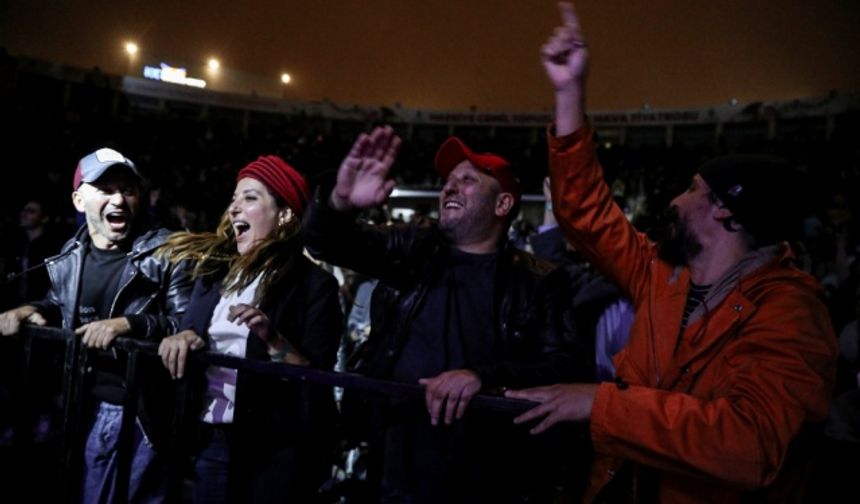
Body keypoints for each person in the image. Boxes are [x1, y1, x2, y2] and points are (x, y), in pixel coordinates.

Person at [507, 4, 839, 503]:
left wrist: (603, 405)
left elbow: (750, 443)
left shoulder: (791, 313)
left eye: (693, 190)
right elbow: (585, 213)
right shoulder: (663, 274)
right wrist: (568, 92)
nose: (675, 200)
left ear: (727, 212)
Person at [303, 126, 589, 503]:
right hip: (394, 458)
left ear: (502, 205)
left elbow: (561, 367)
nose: (449, 188)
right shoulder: (413, 247)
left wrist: (481, 377)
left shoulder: (538, 281)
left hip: (486, 474)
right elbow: (328, 243)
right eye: (449, 181)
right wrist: (339, 202)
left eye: (468, 180)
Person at [0, 147, 193, 503]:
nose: (119, 198)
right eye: (106, 189)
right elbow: (64, 304)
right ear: (78, 199)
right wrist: (31, 308)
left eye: (128, 190)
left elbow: (185, 325)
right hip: (78, 406)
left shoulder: (167, 251)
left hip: (139, 414)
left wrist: (127, 325)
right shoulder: (69, 254)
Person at [157, 155, 343, 503]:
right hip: (209, 438)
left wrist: (272, 338)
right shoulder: (213, 274)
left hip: (273, 450)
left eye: (250, 197)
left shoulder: (314, 284)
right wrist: (183, 335)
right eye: (234, 198)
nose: (235, 208)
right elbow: (190, 327)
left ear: (285, 214)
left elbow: (317, 376)